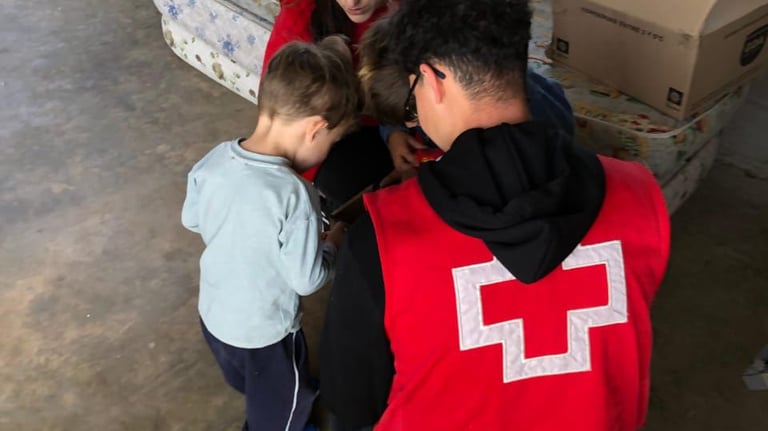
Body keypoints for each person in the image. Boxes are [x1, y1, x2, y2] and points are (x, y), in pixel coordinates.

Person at [319, 0, 671, 430]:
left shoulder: (381, 240)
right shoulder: (641, 196)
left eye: (413, 96)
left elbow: (353, 401)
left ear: (432, 81)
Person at [181, 37, 358, 431]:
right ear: (315, 129)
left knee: (246, 379)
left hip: (214, 315)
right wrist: (333, 244)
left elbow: (192, 219)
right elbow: (307, 279)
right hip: (266, 335)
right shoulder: (296, 194)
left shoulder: (216, 158)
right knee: (283, 411)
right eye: (332, 142)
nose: (329, 151)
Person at [358, 14, 576, 179]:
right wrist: (394, 132)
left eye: (414, 114)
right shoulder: (432, 73)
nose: (414, 125)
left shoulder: (532, 119)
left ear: (433, 84)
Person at [263, 0, 398, 213]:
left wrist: (395, 132)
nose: (352, 2)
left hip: (390, 124)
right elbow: (285, 122)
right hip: (328, 140)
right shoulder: (303, 14)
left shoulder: (409, 15)